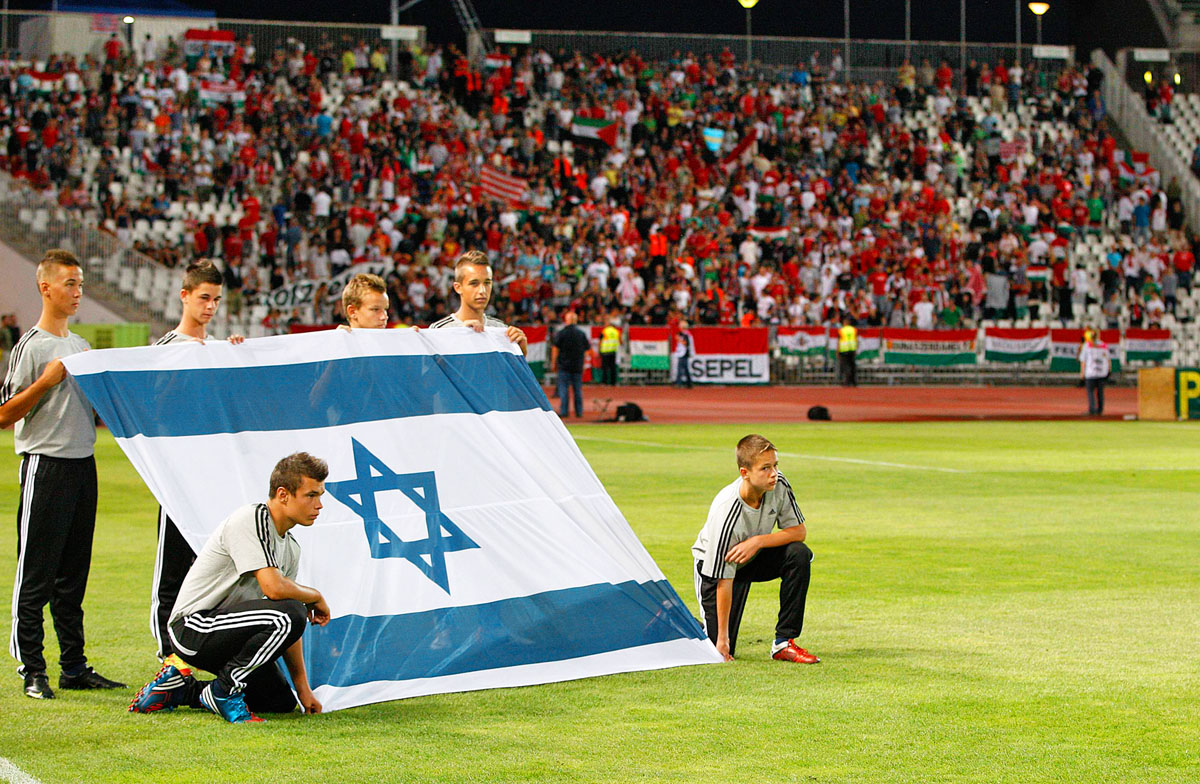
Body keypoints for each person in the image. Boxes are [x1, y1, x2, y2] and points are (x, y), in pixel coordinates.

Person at [0, 249, 125, 699]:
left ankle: (74, 666)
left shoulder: (81, 347)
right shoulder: (31, 345)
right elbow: (3, 415)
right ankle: (32, 670)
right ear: (45, 287)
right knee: (36, 573)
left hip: (82, 466)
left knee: (73, 577)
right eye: (70, 284)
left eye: (81, 285)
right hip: (45, 466)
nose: (78, 293)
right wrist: (43, 382)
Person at [129, 453, 331, 723]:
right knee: (291, 609)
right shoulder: (253, 518)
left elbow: (291, 625)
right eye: (311, 495)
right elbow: (274, 590)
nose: (319, 505)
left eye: (320, 496)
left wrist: (303, 689)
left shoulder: (291, 548)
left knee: (278, 700)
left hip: (228, 633)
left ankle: (181, 690)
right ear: (283, 494)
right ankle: (224, 692)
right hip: (192, 628)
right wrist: (315, 596)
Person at [149, 260, 244, 661]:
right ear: (185, 296)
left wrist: (238, 358)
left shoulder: (220, 350)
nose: (210, 307)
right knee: (172, 568)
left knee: (213, 567)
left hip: (214, 476)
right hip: (177, 477)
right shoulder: (163, 351)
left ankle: (203, 651)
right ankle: (167, 656)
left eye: (216, 300)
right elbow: (152, 410)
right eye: (203, 298)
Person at [692, 434, 817, 664]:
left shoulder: (779, 485)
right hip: (715, 569)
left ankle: (784, 643)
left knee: (799, 554)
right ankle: (673, 618)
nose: (774, 473)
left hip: (752, 556)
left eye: (775, 465)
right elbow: (724, 580)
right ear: (745, 473)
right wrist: (722, 639)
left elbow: (799, 532)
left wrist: (757, 541)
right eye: (765, 468)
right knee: (716, 648)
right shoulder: (727, 511)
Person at [427, 250, 527, 354]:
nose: (482, 291)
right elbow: (428, 370)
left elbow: (506, 370)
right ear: (458, 288)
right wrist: (460, 335)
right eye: (474, 283)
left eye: (487, 283)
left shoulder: (501, 330)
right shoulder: (439, 331)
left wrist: (521, 353)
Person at [551, 310, 590, 419]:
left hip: (564, 365)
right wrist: (585, 363)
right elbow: (587, 349)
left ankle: (564, 411)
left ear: (566, 320)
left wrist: (553, 362)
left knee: (564, 390)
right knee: (578, 390)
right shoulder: (581, 334)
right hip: (577, 365)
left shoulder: (561, 333)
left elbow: (555, 348)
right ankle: (579, 412)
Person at [1079, 328, 1111, 416]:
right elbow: (1108, 359)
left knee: (1090, 392)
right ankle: (1100, 410)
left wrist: (1082, 372)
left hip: (1090, 372)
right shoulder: (1104, 345)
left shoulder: (1087, 345)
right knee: (1100, 392)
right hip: (1102, 372)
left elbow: (1083, 360)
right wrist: (1109, 370)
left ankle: (1092, 409)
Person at [598, 315, 620, 386]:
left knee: (605, 368)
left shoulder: (604, 331)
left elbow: (600, 341)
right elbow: (621, 341)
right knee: (612, 367)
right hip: (613, 351)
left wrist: (599, 350)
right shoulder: (616, 331)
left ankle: (604, 382)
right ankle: (613, 382)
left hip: (605, 351)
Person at [672, 319, 694, 388]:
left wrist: (679, 339)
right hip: (682, 353)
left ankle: (679, 383)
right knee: (685, 369)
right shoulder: (684, 334)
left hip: (684, 353)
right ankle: (689, 383)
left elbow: (686, 343)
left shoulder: (686, 334)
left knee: (680, 368)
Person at [837, 317, 858, 387]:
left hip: (844, 349)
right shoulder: (854, 330)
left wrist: (837, 350)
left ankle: (847, 382)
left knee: (845, 367)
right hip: (852, 349)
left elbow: (839, 341)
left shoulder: (841, 330)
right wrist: (856, 349)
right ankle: (854, 382)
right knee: (852, 366)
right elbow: (856, 339)